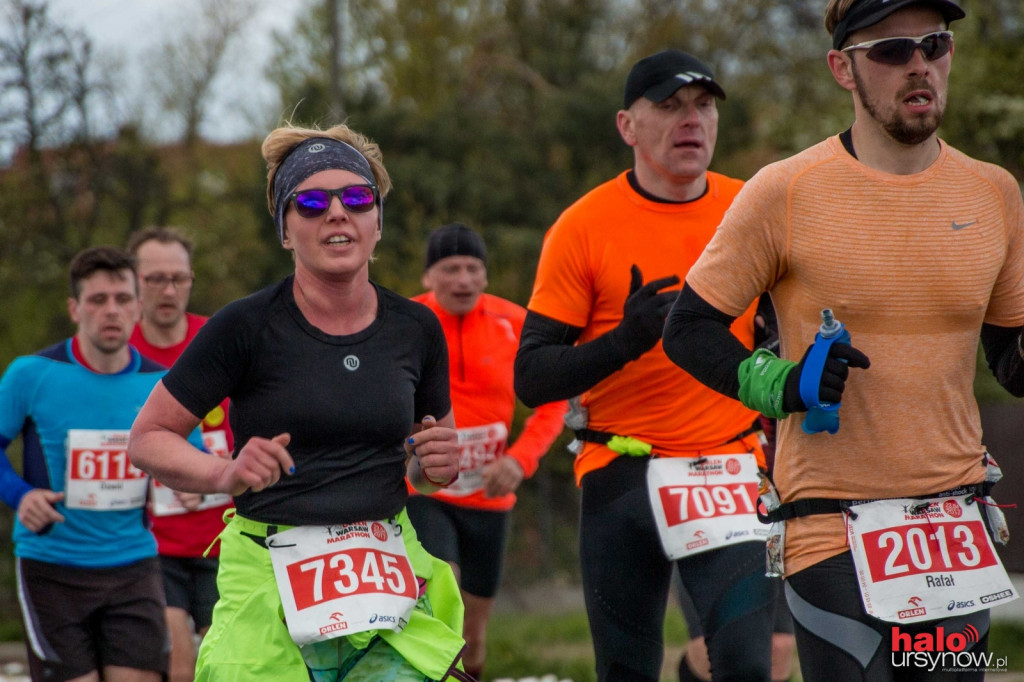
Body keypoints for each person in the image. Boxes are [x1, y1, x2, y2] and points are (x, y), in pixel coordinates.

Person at [662, 1, 1024, 680]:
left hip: (952, 529)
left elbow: (1011, 360)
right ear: (843, 69)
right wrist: (785, 383)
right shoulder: (786, 191)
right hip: (832, 529)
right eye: (891, 51)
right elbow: (688, 330)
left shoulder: (994, 194)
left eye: (935, 44)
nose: (919, 64)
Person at [127, 123, 471, 682]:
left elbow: (429, 465)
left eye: (357, 199)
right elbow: (147, 438)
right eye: (310, 203)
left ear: (377, 222)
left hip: (381, 564)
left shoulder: (416, 328)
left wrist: (437, 466)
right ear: (285, 231)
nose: (337, 213)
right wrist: (226, 472)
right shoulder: (244, 326)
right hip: (268, 563)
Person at [514, 49, 779, 681]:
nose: (692, 119)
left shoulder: (755, 209)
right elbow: (532, 377)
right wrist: (624, 342)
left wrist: (776, 342)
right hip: (623, 469)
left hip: (730, 464)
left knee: (746, 664)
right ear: (627, 126)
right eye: (669, 106)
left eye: (704, 105)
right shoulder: (583, 226)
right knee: (628, 670)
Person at [0, 246, 202, 682]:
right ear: (75, 308)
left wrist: (193, 480)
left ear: (138, 307)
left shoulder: (161, 383)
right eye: (97, 300)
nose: (111, 311)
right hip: (52, 567)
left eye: (122, 299)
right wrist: (21, 495)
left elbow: (195, 457)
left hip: (133, 566)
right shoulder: (31, 375)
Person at [407, 222, 567, 679]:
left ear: (485, 275)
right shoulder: (407, 322)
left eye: (473, 268)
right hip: (424, 491)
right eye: (450, 268)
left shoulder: (513, 322)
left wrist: (520, 459)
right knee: (444, 599)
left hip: (489, 495)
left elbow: (555, 399)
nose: (463, 280)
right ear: (428, 278)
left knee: (473, 635)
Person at [127, 226, 234, 682]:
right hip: (150, 544)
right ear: (133, 281)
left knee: (220, 665)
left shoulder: (220, 339)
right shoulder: (117, 351)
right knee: (179, 665)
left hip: (223, 538)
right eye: (154, 279)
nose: (168, 290)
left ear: (192, 280)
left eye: (178, 278)